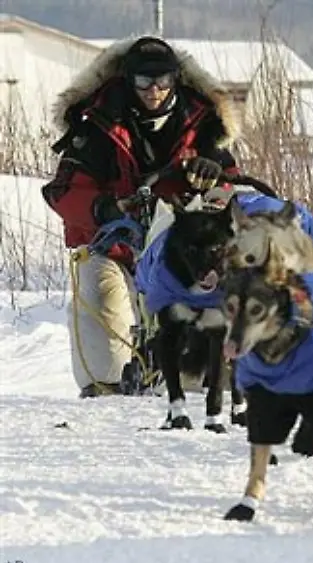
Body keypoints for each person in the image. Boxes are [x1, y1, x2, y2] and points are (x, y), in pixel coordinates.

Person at [41, 36, 241, 398]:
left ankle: (206, 379)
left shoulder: (202, 123)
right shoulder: (97, 124)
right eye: (144, 82)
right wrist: (102, 208)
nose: (154, 91)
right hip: (114, 242)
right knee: (100, 301)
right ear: (127, 81)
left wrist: (213, 177)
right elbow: (63, 191)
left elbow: (233, 190)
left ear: (177, 80)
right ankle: (106, 388)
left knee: (216, 292)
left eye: (163, 81)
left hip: (181, 246)